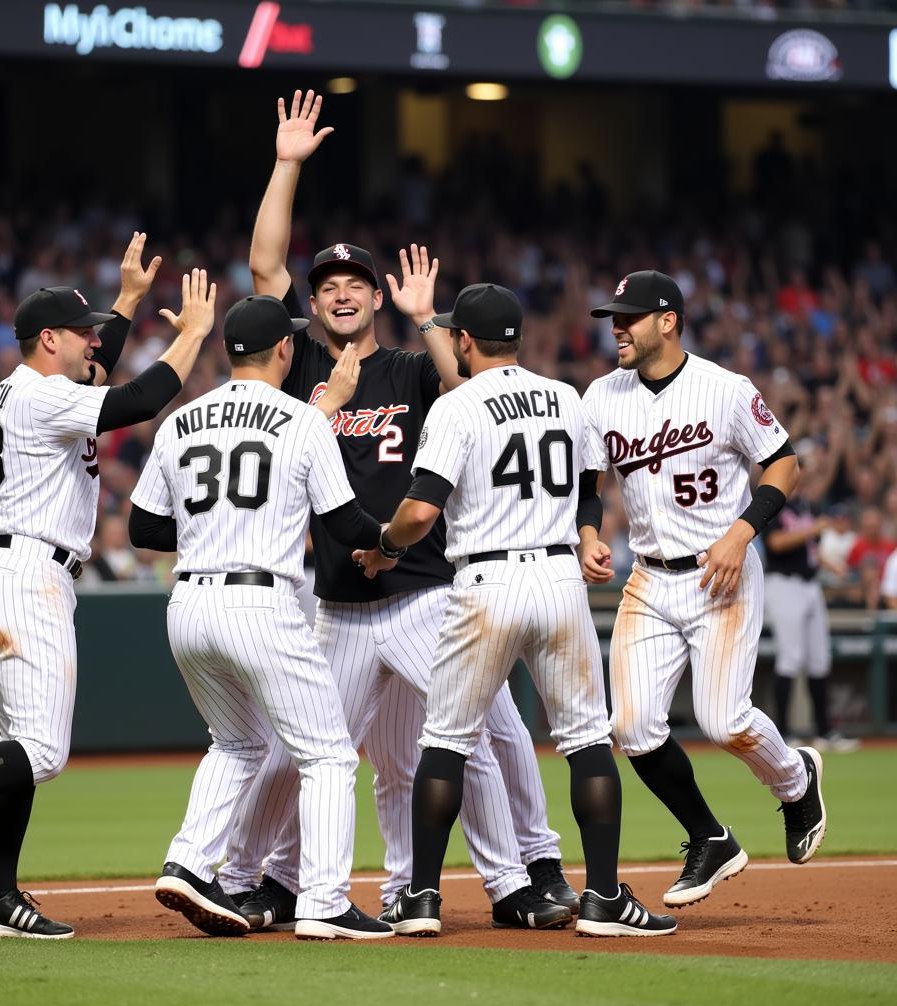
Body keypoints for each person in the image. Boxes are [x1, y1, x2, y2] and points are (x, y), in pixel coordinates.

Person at [216, 90, 575, 932]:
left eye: (355, 284)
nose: (340, 293)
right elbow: (266, 268)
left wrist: (432, 325)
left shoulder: (413, 369)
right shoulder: (299, 358)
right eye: (329, 284)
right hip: (338, 602)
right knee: (305, 753)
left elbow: (471, 393)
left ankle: (513, 882)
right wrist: (287, 164)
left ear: (378, 299)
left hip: (421, 591)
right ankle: (264, 879)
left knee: (472, 740)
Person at [0, 235, 211, 939]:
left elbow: (99, 377)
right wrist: (195, 338)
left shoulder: (30, 388)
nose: (95, 344)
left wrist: (124, 302)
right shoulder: (41, 394)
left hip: (2, 571)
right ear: (48, 337)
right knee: (44, 753)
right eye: (83, 334)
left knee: (16, 746)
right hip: (26, 576)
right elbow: (137, 400)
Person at [355, 283, 676, 938]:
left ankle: (419, 898)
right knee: (586, 740)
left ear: (465, 341)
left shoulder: (457, 405)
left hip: (486, 583)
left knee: (446, 740)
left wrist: (385, 544)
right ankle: (606, 898)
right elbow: (592, 491)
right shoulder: (566, 396)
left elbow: (419, 512)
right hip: (559, 579)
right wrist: (589, 536)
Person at [129, 294, 393, 940]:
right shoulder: (304, 423)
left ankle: (189, 861)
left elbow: (141, 526)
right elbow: (346, 524)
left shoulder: (182, 420)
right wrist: (392, 540)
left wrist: (211, 531)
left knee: (238, 741)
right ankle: (326, 901)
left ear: (227, 351)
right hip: (260, 600)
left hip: (189, 604)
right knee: (329, 756)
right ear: (285, 350)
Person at [581, 270, 828, 911]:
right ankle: (708, 837)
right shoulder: (602, 395)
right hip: (649, 580)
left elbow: (784, 461)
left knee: (725, 721)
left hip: (722, 572)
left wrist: (743, 532)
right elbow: (589, 478)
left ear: (668, 320)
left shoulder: (724, 389)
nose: (617, 327)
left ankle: (796, 781)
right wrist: (587, 532)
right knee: (632, 725)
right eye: (614, 315)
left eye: (629, 316)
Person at [763, 497, 859, 753]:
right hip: (783, 584)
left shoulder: (805, 506)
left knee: (819, 658)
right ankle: (782, 733)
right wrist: (812, 529)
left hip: (810, 583)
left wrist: (833, 566)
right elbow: (775, 543)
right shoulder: (774, 503)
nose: (800, 473)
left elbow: (811, 549)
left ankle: (824, 732)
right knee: (790, 658)